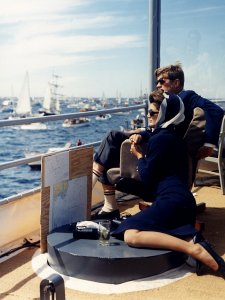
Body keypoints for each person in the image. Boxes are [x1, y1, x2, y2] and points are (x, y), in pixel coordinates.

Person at [111, 90, 225, 279]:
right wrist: (143, 137)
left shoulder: (160, 139)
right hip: (184, 202)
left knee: (130, 234)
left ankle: (193, 249)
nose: (148, 116)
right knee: (174, 229)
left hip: (171, 201)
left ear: (165, 114)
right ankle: (206, 254)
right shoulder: (174, 137)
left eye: (153, 113)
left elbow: (147, 176)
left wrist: (139, 156)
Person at [92, 63, 224, 219]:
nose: (158, 85)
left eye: (162, 81)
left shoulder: (186, 97)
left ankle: (96, 195)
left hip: (163, 149)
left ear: (176, 83)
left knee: (112, 138)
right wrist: (142, 132)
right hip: (156, 140)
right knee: (114, 142)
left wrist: (209, 143)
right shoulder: (166, 101)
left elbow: (216, 110)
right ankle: (106, 202)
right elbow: (162, 127)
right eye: (157, 82)